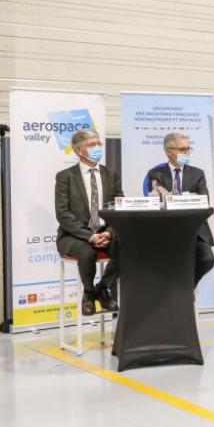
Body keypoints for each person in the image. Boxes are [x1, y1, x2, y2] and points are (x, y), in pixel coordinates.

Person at [55, 129, 123, 316]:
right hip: (73, 236)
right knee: (87, 253)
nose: (97, 148)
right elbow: (63, 214)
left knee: (127, 249)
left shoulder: (111, 175)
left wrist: (108, 232)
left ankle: (103, 288)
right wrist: (90, 236)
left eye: (98, 144)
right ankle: (89, 292)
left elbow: (118, 208)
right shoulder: (65, 177)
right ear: (79, 151)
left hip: (105, 232)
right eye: (92, 145)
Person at [145, 132, 214, 287]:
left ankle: (186, 287)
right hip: (168, 230)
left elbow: (203, 201)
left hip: (195, 230)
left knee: (207, 259)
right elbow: (157, 202)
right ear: (170, 152)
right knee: (163, 263)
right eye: (183, 149)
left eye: (189, 149)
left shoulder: (197, 174)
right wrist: (189, 196)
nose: (187, 153)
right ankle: (174, 291)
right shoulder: (155, 174)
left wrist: (175, 198)